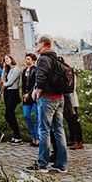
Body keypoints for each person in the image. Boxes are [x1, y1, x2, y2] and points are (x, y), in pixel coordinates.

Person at [27, 36, 68, 173]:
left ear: (44, 44)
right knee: (59, 131)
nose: (35, 45)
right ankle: (61, 165)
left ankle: (42, 164)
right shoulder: (56, 58)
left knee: (44, 131)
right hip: (59, 98)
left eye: (37, 43)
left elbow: (41, 76)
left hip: (48, 98)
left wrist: (37, 91)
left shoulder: (43, 58)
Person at [2, 54, 23, 144]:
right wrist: (3, 69)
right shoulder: (7, 69)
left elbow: (10, 82)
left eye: (8, 58)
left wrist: (3, 85)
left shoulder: (16, 69)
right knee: (8, 115)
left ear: (11, 59)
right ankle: (16, 135)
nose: (6, 60)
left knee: (9, 114)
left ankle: (18, 136)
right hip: (7, 93)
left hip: (13, 93)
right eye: (5, 59)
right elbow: (3, 78)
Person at [21, 53, 40, 147]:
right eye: (26, 59)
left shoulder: (36, 70)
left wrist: (30, 93)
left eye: (28, 59)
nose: (26, 60)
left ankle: (38, 137)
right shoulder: (25, 70)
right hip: (26, 97)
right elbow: (23, 84)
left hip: (34, 96)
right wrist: (24, 94)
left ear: (33, 60)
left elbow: (36, 83)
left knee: (37, 117)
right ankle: (34, 134)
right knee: (26, 115)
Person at [64, 83, 84, 150]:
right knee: (69, 120)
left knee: (75, 121)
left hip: (71, 100)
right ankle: (72, 139)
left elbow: (71, 87)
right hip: (67, 100)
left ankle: (79, 141)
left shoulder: (71, 74)